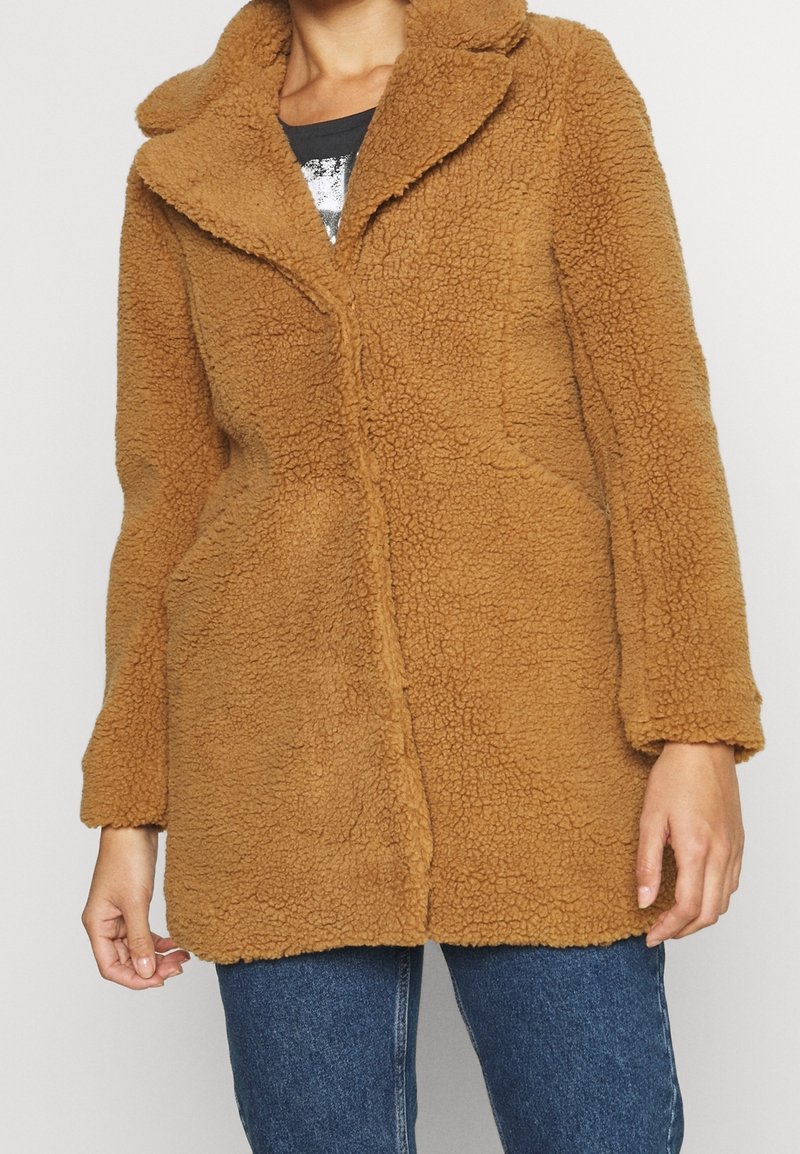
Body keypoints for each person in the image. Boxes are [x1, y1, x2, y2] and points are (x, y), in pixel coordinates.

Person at [79, 2, 766, 1151]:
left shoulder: (551, 79)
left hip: (538, 742)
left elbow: (654, 425)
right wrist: (127, 808)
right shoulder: (184, 154)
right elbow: (165, 500)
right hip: (274, 765)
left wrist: (695, 729)